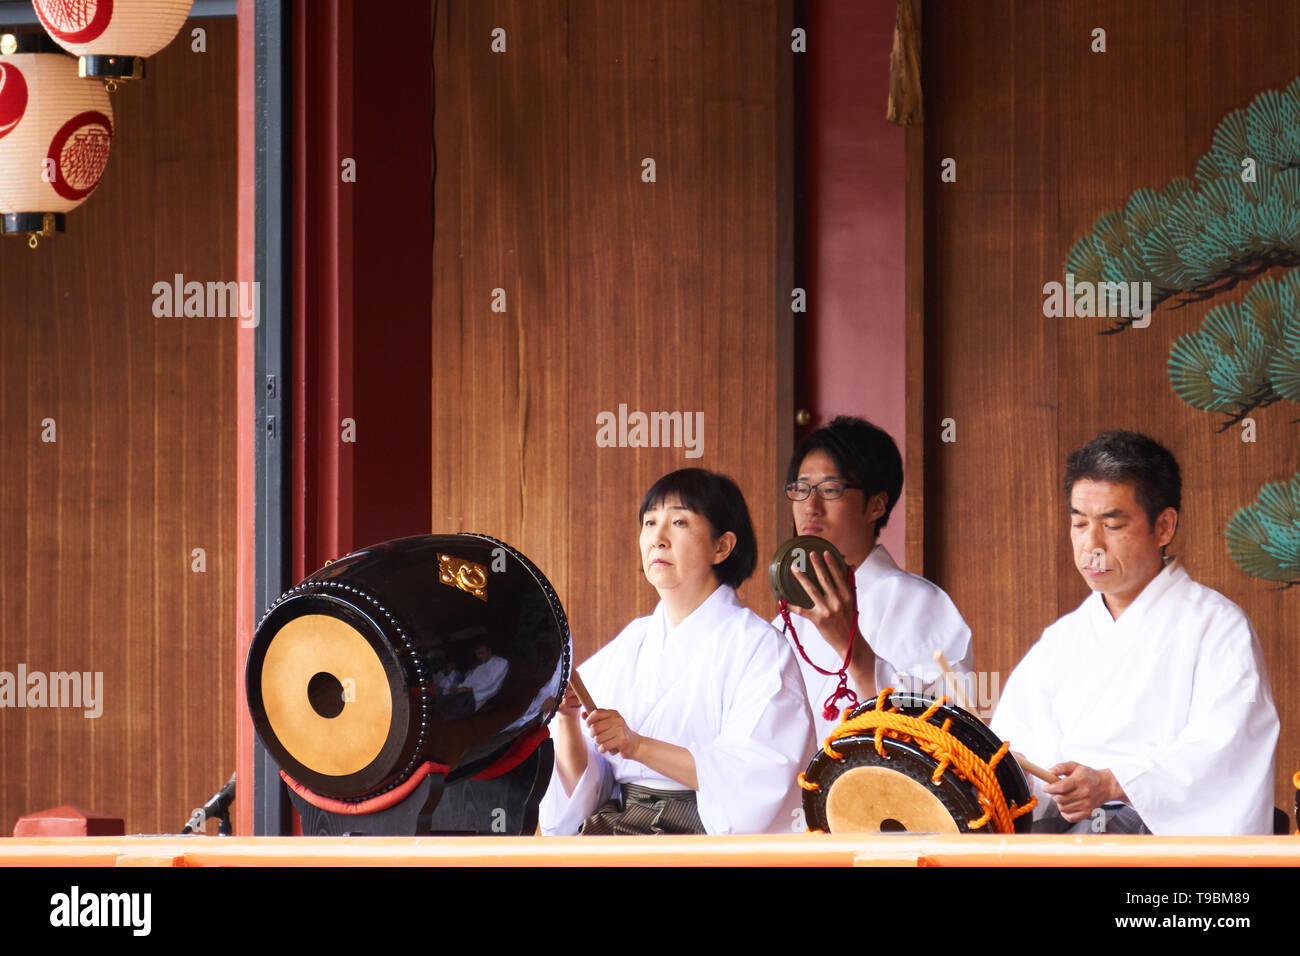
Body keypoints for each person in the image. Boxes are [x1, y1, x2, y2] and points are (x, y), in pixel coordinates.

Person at [990, 430, 1279, 835]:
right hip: (1061, 843)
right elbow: (1015, 755)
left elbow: (1227, 752)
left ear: (1163, 526)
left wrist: (1111, 783)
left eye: (1112, 524)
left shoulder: (1218, 627)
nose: (1091, 545)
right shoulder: (1061, 640)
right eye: (1078, 523)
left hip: (1161, 855)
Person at [539, 468, 815, 835]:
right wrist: (569, 720)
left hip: (701, 838)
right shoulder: (632, 642)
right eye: (650, 522)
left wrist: (637, 746)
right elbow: (583, 794)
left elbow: (753, 778)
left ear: (722, 546)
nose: (658, 538)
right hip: (616, 829)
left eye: (679, 521)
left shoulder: (758, 646)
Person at [774, 416, 973, 743]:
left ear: (876, 505)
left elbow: (938, 729)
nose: (810, 506)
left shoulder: (917, 602)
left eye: (829, 489)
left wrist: (851, 648)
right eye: (801, 488)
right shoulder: (791, 613)